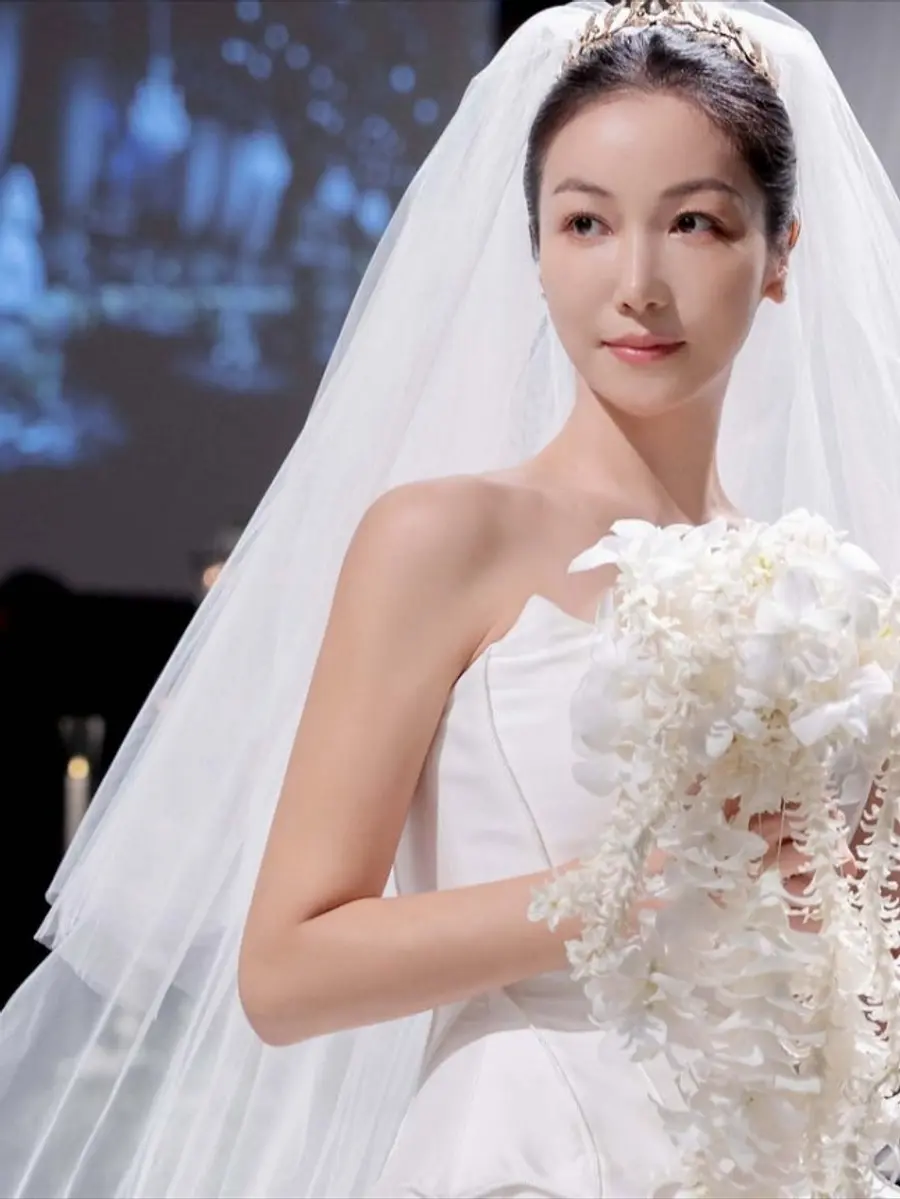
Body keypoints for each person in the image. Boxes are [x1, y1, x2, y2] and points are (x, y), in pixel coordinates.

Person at [2, 2, 900, 1196]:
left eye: (695, 222)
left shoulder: (819, 593)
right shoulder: (443, 537)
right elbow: (286, 969)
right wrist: (629, 897)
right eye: (585, 222)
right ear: (536, 247)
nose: (637, 283)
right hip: (525, 1156)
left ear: (779, 254)